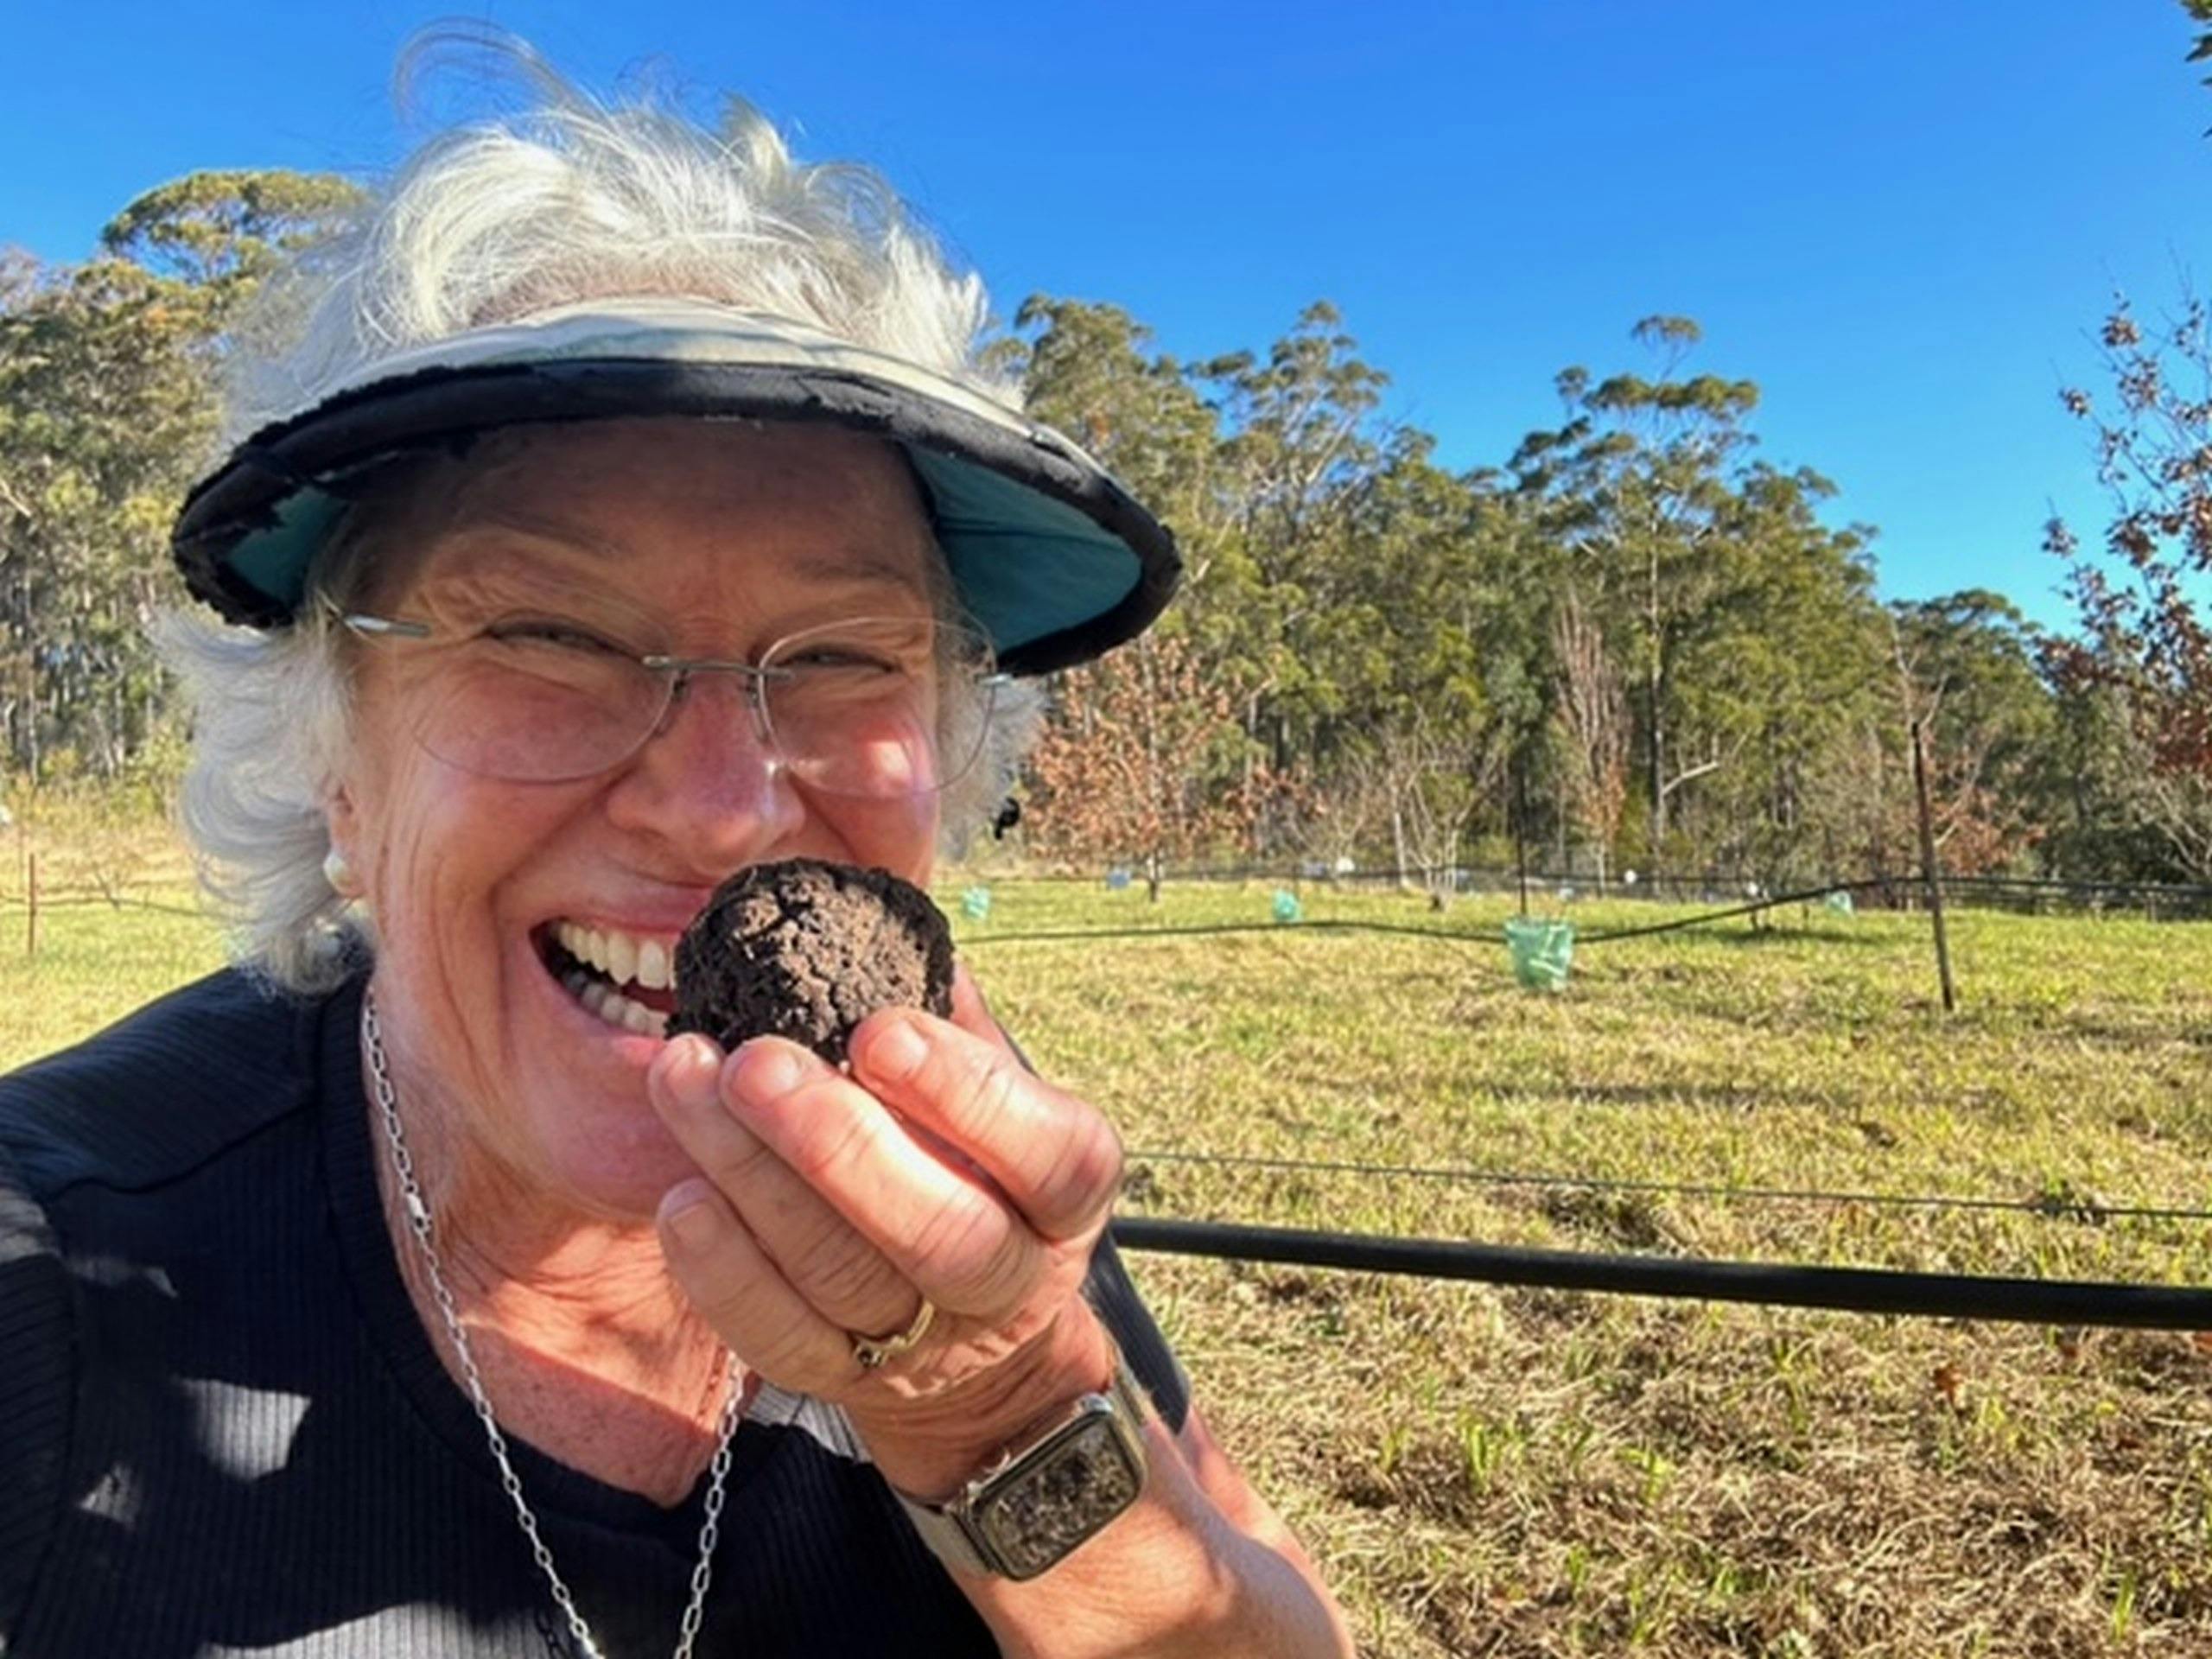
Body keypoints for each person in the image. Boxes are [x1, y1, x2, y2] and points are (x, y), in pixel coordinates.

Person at [0, 43, 1354, 1659]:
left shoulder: (949, 1188)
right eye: (552, 633)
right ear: (334, 759)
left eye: (841, 653)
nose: (722, 810)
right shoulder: (41, 1278)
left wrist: (991, 1401)